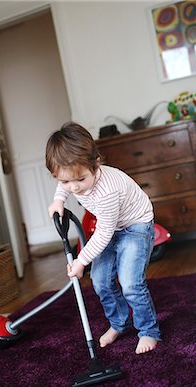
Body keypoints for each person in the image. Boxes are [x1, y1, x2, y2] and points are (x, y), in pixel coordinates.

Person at [46, 122, 161, 354]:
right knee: (100, 281)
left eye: (80, 179)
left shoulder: (109, 190)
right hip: (111, 226)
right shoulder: (72, 178)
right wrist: (59, 200)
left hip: (135, 225)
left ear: (96, 165)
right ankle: (119, 323)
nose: (74, 188)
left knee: (130, 283)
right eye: (66, 181)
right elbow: (65, 184)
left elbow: (103, 233)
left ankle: (148, 330)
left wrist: (80, 261)